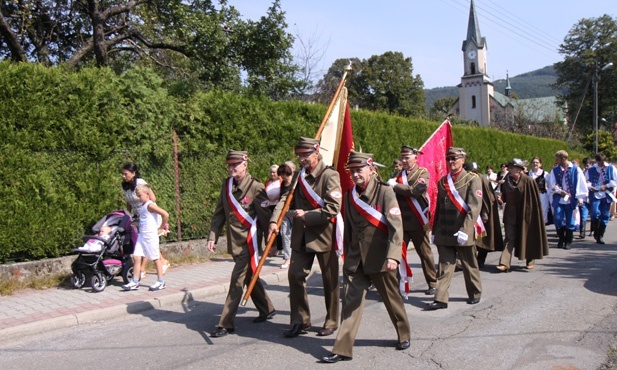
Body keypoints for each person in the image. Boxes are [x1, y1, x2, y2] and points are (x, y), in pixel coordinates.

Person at [321, 152, 410, 363]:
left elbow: (396, 227)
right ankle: (342, 348)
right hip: (356, 260)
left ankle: (404, 333)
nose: (355, 174)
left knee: (392, 300)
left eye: (359, 169)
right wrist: (346, 256)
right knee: (351, 304)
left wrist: (393, 257)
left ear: (371, 169)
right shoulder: (350, 195)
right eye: (352, 170)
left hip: (381, 258)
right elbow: (350, 229)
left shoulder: (385, 192)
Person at [269, 137, 342, 338]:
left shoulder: (330, 175)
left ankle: (332, 320)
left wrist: (307, 215)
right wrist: (274, 220)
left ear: (316, 153)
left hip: (323, 234)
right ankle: (300, 320)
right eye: (299, 155)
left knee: (330, 281)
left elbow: (333, 208)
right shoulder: (299, 176)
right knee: (295, 275)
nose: (302, 159)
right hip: (301, 236)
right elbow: (286, 198)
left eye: (305, 155)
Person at [207, 150, 276, 338]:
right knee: (249, 276)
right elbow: (219, 212)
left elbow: (265, 219)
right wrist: (213, 236)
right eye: (229, 165)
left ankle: (225, 322)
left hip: (249, 242)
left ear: (245, 165)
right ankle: (267, 308)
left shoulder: (256, 187)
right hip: (233, 241)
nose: (231, 168)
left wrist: (272, 244)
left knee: (236, 279)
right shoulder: (226, 185)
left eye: (235, 165)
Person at [426, 147, 483, 310]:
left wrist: (466, 230)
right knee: (444, 265)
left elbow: (474, 207)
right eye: (449, 159)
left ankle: (475, 293)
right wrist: (434, 230)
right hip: (445, 231)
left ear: (463, 160)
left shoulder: (472, 179)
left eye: (455, 159)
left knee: (468, 264)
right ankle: (441, 298)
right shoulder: (443, 181)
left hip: (462, 230)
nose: (451, 162)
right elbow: (439, 208)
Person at [387, 145, 437, 295]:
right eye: (402, 157)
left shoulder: (423, 173)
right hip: (401, 222)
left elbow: (416, 191)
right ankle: (396, 284)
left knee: (425, 253)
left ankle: (433, 282)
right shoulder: (397, 174)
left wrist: (396, 185)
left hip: (417, 221)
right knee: (397, 254)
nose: (404, 160)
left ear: (415, 157)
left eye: (407, 157)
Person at [496, 159, 549, 272]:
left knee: (527, 236)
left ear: (519, 170)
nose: (509, 170)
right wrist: (501, 199)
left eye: (511, 168)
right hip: (511, 214)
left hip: (526, 214)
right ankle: (504, 263)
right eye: (508, 168)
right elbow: (504, 196)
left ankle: (530, 259)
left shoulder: (528, 181)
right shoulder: (507, 180)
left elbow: (534, 200)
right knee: (509, 238)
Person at [121, 162, 169, 278]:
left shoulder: (140, 183)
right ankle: (164, 262)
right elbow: (128, 202)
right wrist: (129, 215)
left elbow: (152, 198)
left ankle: (142, 269)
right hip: (138, 217)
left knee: (147, 240)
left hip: (149, 215)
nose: (123, 176)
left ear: (133, 173)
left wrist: (146, 208)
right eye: (122, 174)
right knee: (145, 241)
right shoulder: (125, 186)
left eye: (126, 174)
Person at [464, 162, 503, 268]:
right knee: (471, 238)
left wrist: (485, 215)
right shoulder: (467, 179)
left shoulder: (481, 180)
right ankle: (470, 260)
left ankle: (480, 260)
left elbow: (488, 199)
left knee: (482, 240)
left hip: (481, 214)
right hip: (470, 212)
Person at [547, 150, 588, 250]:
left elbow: (581, 183)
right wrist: (559, 190)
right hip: (559, 199)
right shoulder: (555, 170)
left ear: (563, 159)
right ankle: (561, 238)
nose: (556, 161)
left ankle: (568, 241)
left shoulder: (575, 169)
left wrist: (580, 197)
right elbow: (552, 184)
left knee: (570, 221)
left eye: (557, 159)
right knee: (557, 219)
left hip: (571, 199)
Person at [586, 153, 617, 244]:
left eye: (602, 162)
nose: (601, 164)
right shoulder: (591, 169)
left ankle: (600, 235)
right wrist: (591, 187)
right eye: (599, 162)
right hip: (595, 194)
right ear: (596, 161)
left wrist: (606, 185)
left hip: (606, 194)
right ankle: (596, 230)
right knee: (594, 213)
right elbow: (586, 181)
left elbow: (615, 181)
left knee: (605, 215)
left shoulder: (611, 168)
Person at [276, 162, 296, 269]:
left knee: (295, 236)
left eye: (284, 174)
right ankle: (288, 258)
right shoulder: (282, 184)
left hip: (295, 212)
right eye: (281, 175)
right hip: (285, 213)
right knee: (285, 234)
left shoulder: (296, 181)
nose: (283, 177)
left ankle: (296, 258)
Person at [526, 157, 551, 225]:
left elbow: (550, 185)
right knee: (531, 212)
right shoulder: (527, 174)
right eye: (533, 162)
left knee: (543, 212)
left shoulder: (545, 174)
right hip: (530, 196)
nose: (535, 164)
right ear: (531, 164)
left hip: (542, 195)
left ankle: (542, 228)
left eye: (537, 162)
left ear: (540, 164)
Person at [264, 164, 282, 255]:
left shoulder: (281, 182)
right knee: (270, 226)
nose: (272, 174)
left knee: (278, 227)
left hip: (278, 206)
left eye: (274, 172)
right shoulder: (268, 182)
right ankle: (272, 246)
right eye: (271, 172)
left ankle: (280, 247)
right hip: (269, 206)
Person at [578, 158, 592, 238]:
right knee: (583, 214)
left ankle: (593, 230)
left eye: (588, 165)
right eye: (585, 165)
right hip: (584, 197)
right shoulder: (581, 173)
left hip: (592, 196)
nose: (586, 167)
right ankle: (582, 232)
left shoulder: (593, 172)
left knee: (594, 214)